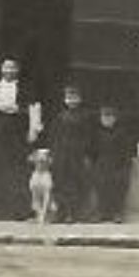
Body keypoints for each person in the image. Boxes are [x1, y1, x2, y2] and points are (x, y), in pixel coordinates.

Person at [0, 57, 40, 220]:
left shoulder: (25, 87)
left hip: (18, 130)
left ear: (17, 70)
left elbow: (33, 108)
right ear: (1, 69)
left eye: (12, 68)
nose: (9, 71)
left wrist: (32, 130)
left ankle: (19, 210)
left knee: (17, 169)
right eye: (6, 67)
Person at [44, 82, 95, 223]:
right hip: (61, 154)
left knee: (74, 183)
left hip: (77, 155)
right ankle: (61, 212)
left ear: (79, 99)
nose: (71, 100)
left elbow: (89, 137)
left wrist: (85, 153)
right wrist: (53, 153)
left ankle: (72, 213)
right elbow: (53, 136)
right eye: (69, 97)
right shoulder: (60, 116)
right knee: (60, 182)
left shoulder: (85, 116)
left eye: (74, 97)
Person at [91, 103, 138, 222]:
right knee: (101, 188)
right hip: (101, 163)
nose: (107, 120)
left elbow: (127, 150)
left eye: (109, 117)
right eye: (104, 117)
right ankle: (102, 213)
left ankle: (117, 213)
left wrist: (126, 164)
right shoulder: (96, 133)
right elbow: (92, 150)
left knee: (117, 188)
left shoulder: (121, 133)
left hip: (117, 164)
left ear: (115, 118)